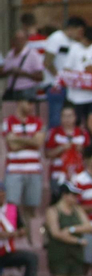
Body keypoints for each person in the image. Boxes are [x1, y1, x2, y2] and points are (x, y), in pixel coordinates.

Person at [2, 92, 46, 239]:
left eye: (33, 103)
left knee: (31, 207)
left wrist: (19, 139)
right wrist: (30, 140)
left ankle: (31, 239)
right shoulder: (9, 121)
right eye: (28, 102)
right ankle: (12, 238)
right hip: (15, 170)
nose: (31, 106)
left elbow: (38, 143)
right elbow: (11, 145)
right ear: (19, 102)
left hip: (34, 170)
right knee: (12, 206)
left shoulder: (38, 121)